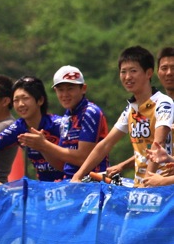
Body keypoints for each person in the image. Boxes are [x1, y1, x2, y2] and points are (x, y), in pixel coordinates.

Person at [72, 46, 174, 187]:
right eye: (123, 72)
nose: (127, 77)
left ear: (149, 73)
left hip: (161, 187)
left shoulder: (163, 103)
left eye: (133, 71)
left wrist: (147, 187)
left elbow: (159, 144)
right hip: (141, 186)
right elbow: (106, 144)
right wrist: (78, 175)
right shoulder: (131, 109)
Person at [17, 65, 109, 179]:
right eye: (60, 90)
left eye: (70, 88)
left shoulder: (90, 112)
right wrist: (42, 148)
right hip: (72, 182)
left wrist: (45, 145)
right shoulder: (66, 117)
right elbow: (61, 164)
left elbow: (83, 158)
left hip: (92, 182)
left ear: (83, 88)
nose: (65, 94)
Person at [0, 76, 64, 186]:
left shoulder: (59, 125)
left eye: (25, 98)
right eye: (16, 100)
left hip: (72, 185)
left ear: (40, 100)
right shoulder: (18, 129)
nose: (20, 104)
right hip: (44, 189)